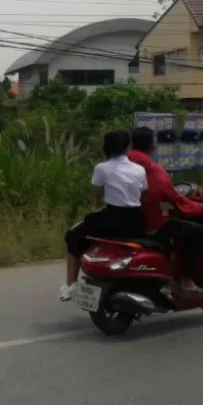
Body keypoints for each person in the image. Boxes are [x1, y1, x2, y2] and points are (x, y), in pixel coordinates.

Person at [60, 129, 147, 301]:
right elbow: (142, 191)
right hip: (137, 220)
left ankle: (70, 285)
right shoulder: (139, 170)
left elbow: (97, 193)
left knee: (73, 236)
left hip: (113, 217)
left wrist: (94, 196)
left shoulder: (102, 168)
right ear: (128, 147)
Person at [128, 126, 203, 295]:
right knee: (197, 232)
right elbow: (177, 201)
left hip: (123, 222)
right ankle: (187, 280)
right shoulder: (153, 170)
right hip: (150, 224)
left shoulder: (120, 163)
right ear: (152, 145)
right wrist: (201, 207)